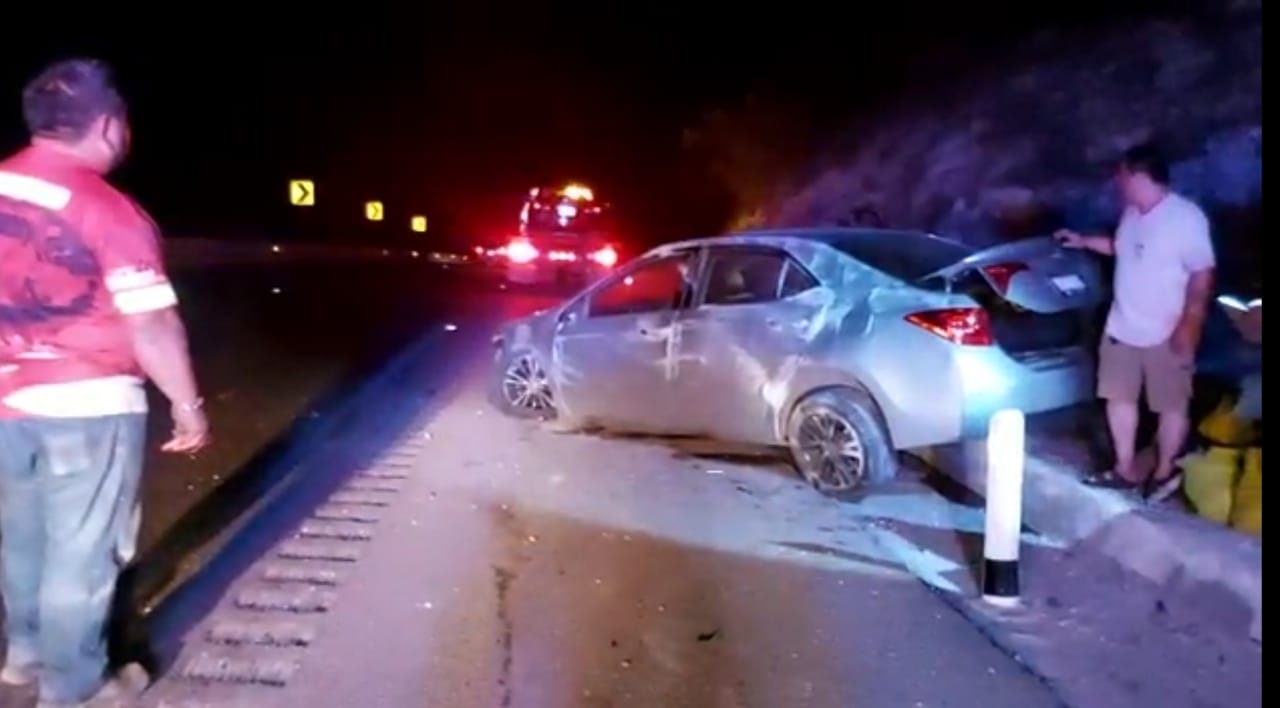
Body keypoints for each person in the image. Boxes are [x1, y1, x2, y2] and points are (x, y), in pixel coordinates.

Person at [0, 59, 210, 706]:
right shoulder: (107, 209)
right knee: (82, 554)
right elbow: (149, 321)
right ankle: (77, 687)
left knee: (21, 536)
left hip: (5, 399)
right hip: (87, 404)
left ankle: (22, 659)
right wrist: (186, 404)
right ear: (111, 126)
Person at [1056, 142, 1216, 499]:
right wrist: (1082, 241)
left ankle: (1163, 471)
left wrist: (1189, 325)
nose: (1118, 181)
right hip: (1121, 326)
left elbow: (1202, 273)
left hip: (1166, 329)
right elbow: (1121, 247)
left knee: (1170, 404)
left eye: (1123, 175)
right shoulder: (1132, 213)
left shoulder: (1185, 219)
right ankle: (1125, 468)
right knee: (1119, 398)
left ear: (1141, 176)